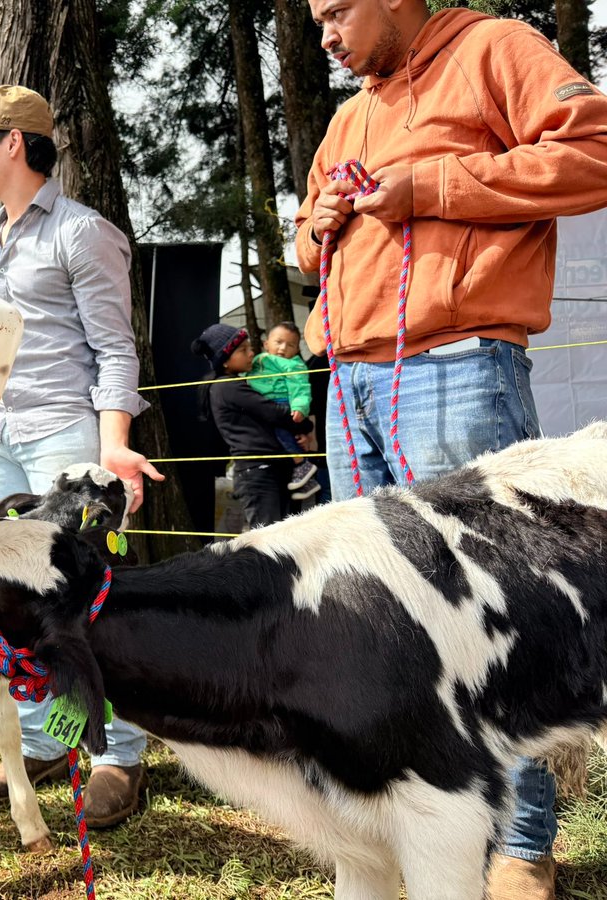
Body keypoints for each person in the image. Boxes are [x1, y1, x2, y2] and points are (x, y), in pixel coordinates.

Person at [297, 2, 607, 896]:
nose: (325, 35)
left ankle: (522, 849)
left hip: (455, 365)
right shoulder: (351, 113)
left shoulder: (494, 48)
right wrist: (317, 221)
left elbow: (593, 151)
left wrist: (432, 186)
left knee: (494, 616)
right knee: (385, 620)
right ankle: (431, 831)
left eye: (336, 12)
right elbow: (306, 245)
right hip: (350, 379)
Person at [0, 84, 163, 828]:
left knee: (88, 595)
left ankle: (120, 755)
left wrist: (114, 445)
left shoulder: (84, 233)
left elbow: (116, 348)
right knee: (6, 598)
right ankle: (45, 739)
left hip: (64, 436)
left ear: (13, 142)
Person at [192, 324, 313, 528]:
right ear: (225, 361)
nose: (251, 354)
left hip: (267, 469)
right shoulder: (230, 387)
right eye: (243, 350)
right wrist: (305, 425)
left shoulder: (235, 384)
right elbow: (275, 413)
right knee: (269, 541)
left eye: (250, 348)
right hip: (258, 472)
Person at [247, 321, 320, 500]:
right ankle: (309, 482)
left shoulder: (294, 365)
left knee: (282, 433)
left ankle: (301, 464)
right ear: (266, 344)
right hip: (262, 401)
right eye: (278, 342)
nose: (283, 348)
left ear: (296, 350)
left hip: (282, 401)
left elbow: (300, 388)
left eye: (290, 345)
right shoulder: (259, 360)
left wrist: (299, 407)